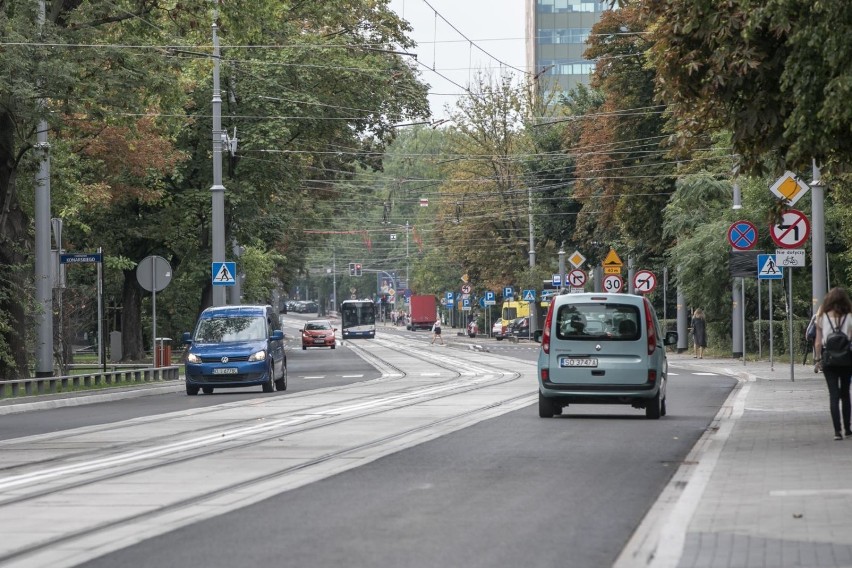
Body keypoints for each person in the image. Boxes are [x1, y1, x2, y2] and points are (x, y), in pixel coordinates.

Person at [814, 287, 852, 440]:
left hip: (828, 359)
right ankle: (848, 429)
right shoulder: (850, 317)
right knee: (845, 394)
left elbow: (817, 343)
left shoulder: (822, 318)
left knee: (833, 395)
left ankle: (837, 432)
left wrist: (817, 360)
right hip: (847, 360)